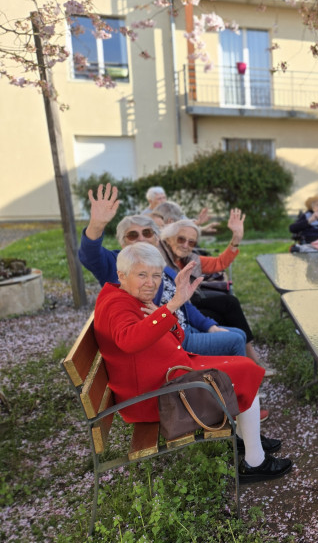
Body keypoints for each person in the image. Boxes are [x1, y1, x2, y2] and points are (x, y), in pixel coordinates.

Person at [94, 243, 291, 482]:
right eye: (142, 275)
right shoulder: (117, 305)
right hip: (154, 396)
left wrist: (164, 312)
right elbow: (129, 341)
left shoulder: (127, 296)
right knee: (246, 371)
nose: (151, 283)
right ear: (122, 275)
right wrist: (171, 306)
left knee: (243, 366)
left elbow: (176, 336)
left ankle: (244, 438)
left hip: (169, 377)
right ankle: (255, 462)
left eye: (156, 275)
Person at [78, 185, 256, 367]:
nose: (141, 239)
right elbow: (89, 255)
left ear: (156, 239)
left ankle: (235, 377)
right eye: (132, 235)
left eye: (147, 233)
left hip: (181, 328)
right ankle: (241, 379)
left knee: (238, 334)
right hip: (166, 340)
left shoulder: (160, 266)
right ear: (122, 242)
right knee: (234, 339)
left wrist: (209, 326)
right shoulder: (116, 263)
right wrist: (97, 225)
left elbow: (185, 306)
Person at [158, 214, 266, 367]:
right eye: (181, 239)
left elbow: (219, 263)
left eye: (191, 242)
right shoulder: (159, 261)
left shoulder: (190, 259)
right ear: (169, 239)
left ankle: (247, 359)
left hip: (189, 303)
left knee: (229, 303)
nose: (186, 245)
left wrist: (236, 239)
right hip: (180, 313)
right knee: (223, 313)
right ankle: (241, 361)